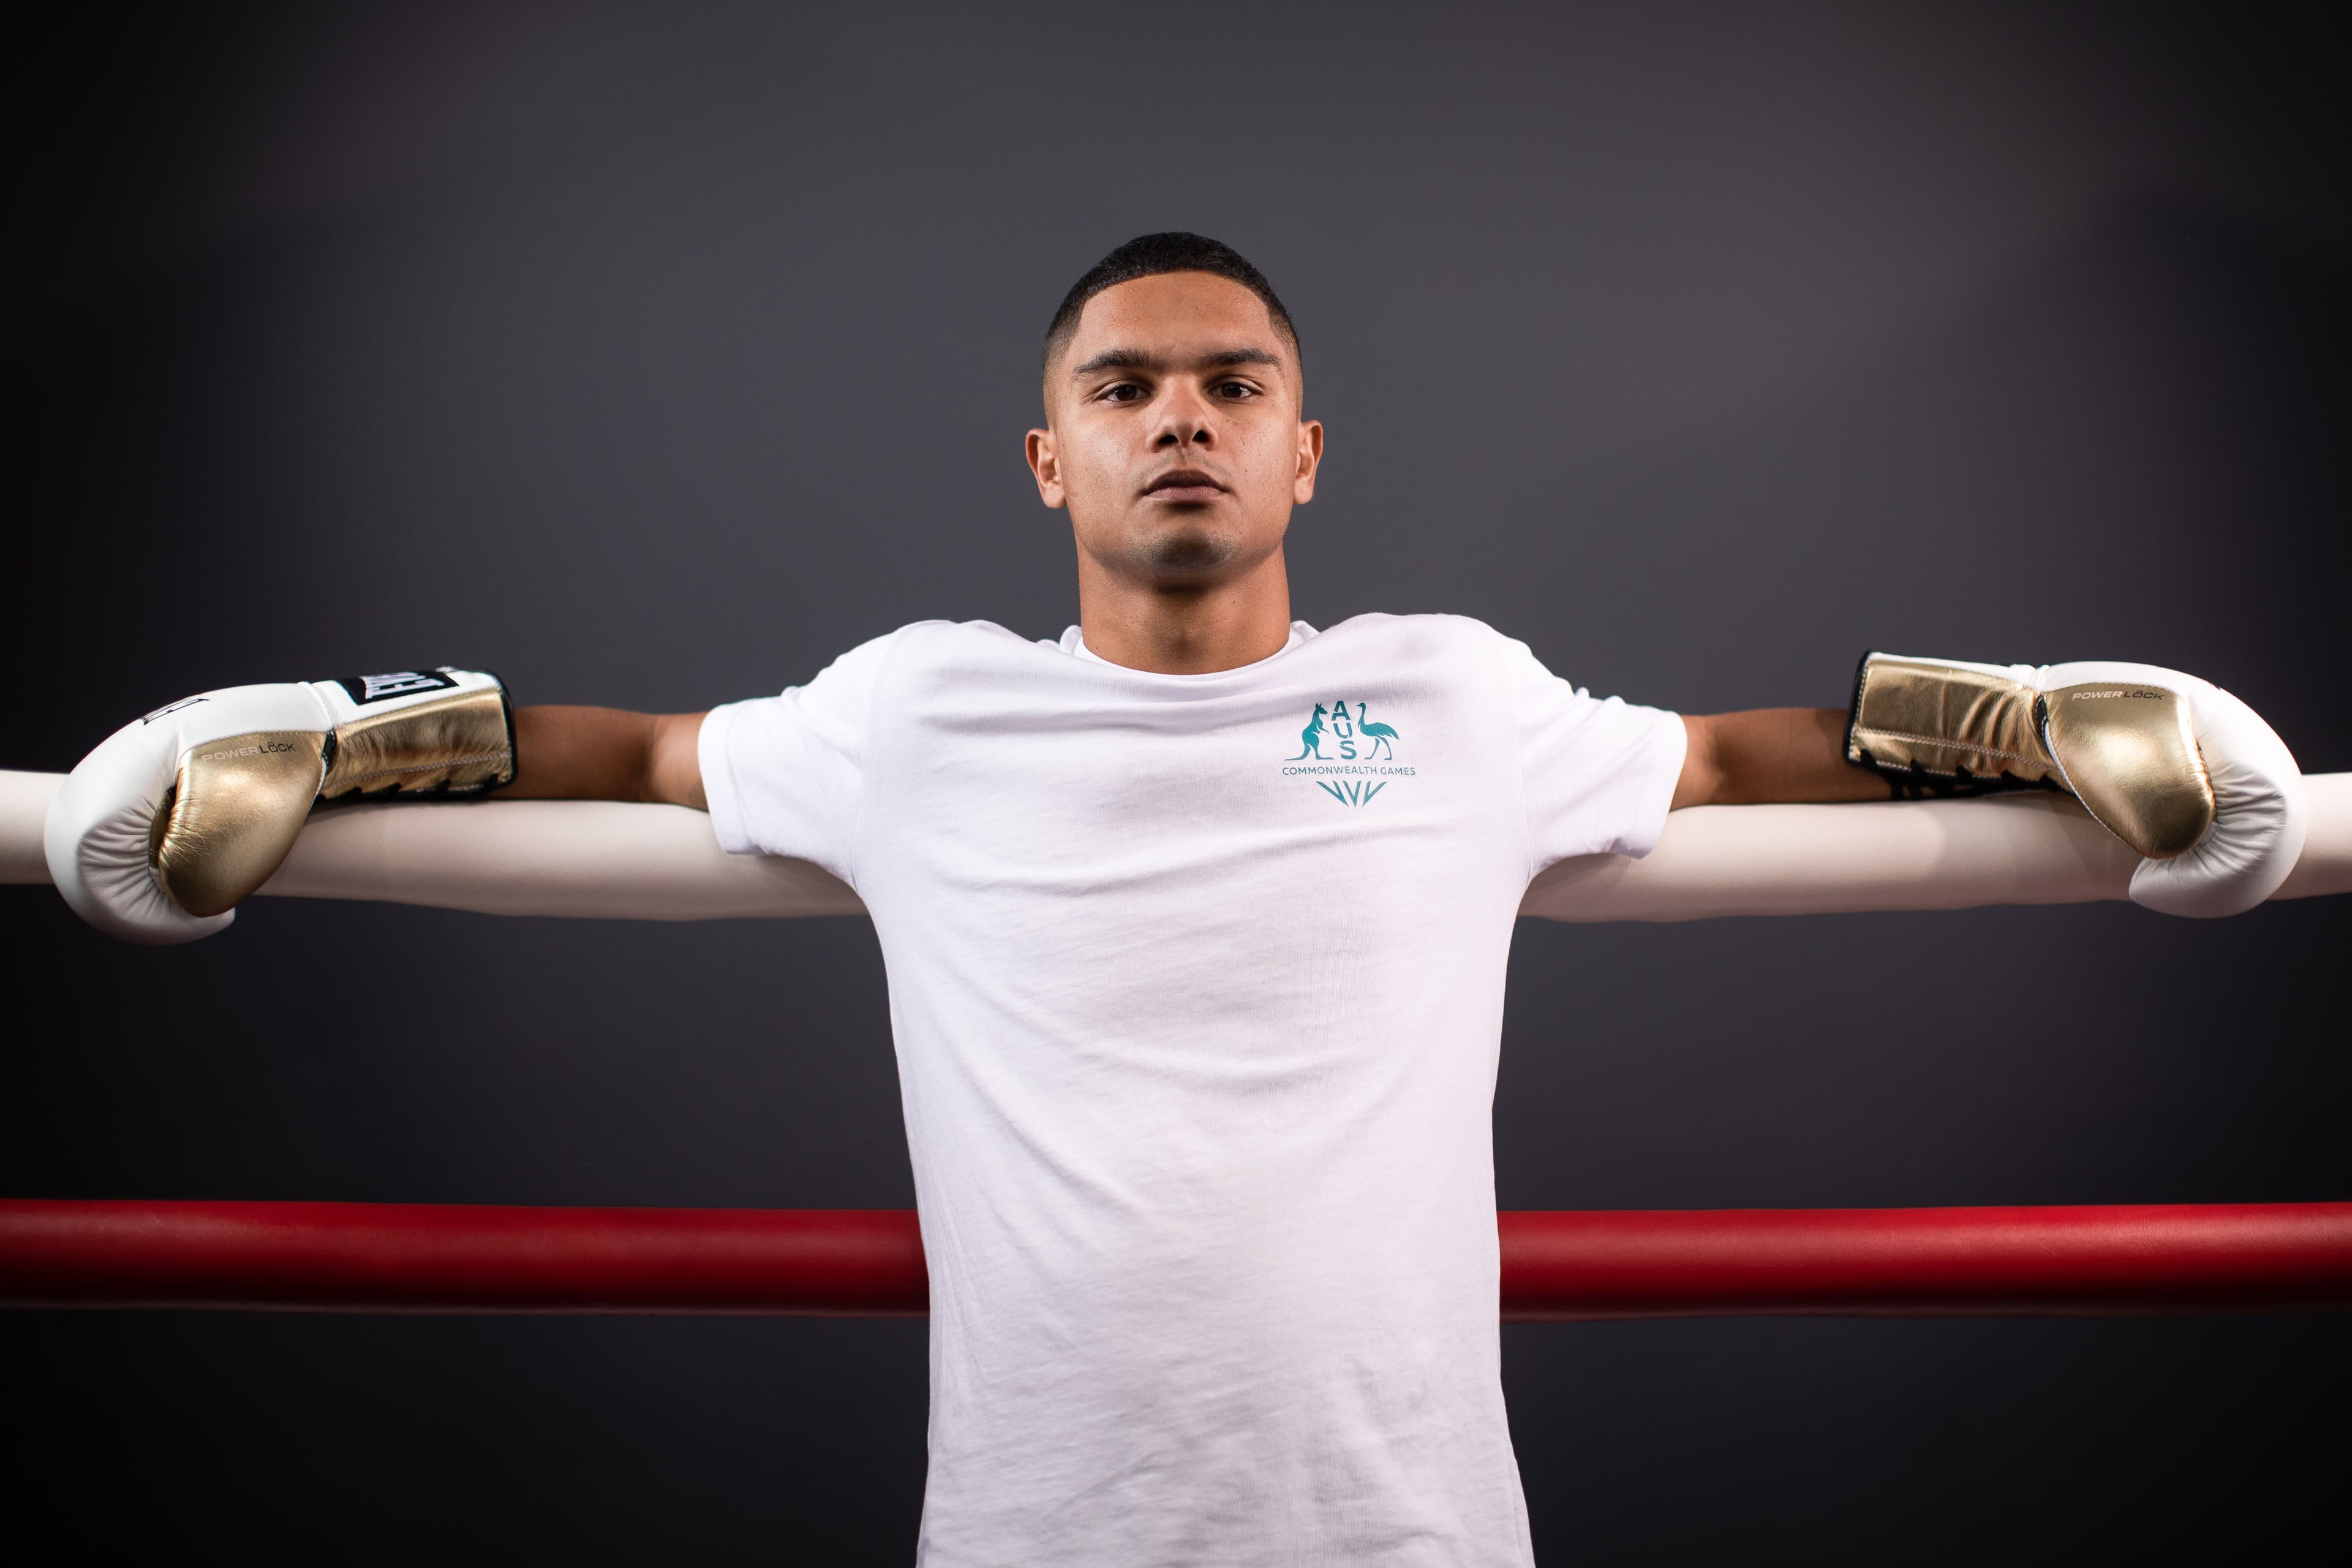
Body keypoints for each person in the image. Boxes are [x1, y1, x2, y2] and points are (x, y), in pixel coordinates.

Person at [41, 233, 2305, 1564]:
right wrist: (327, 733)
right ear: (1056, 459)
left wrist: (2040, 724)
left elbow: (1721, 761)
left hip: (1408, 1540)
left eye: (1236, 384)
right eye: (1125, 388)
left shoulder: (1446, 696)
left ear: (1305, 449)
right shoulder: (918, 715)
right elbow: (636, 756)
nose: (1183, 420)